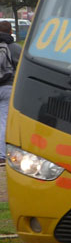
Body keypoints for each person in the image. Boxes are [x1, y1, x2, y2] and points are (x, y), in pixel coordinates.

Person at [0, 20, 21, 164]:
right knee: (3, 120)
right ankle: (1, 155)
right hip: (8, 87)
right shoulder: (15, 48)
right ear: (11, 31)